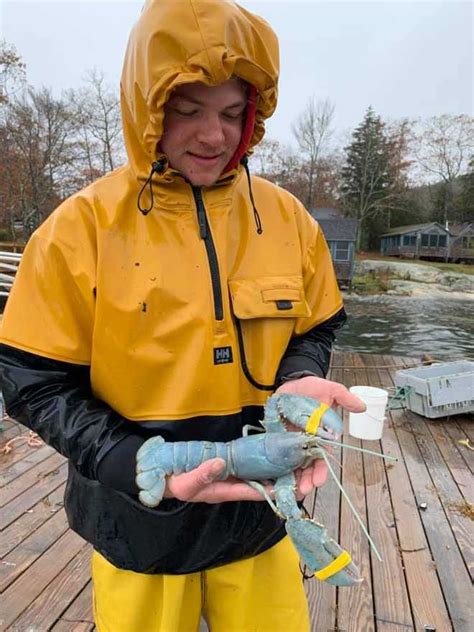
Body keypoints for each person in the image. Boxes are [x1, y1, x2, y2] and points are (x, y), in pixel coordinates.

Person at [0, 1, 364, 630]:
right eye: (188, 110)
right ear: (146, 109)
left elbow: (316, 325)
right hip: (136, 519)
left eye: (230, 113)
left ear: (253, 114)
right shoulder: (77, 229)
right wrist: (132, 461)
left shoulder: (288, 219)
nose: (212, 136)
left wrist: (297, 379)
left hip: (261, 515)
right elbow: (32, 378)